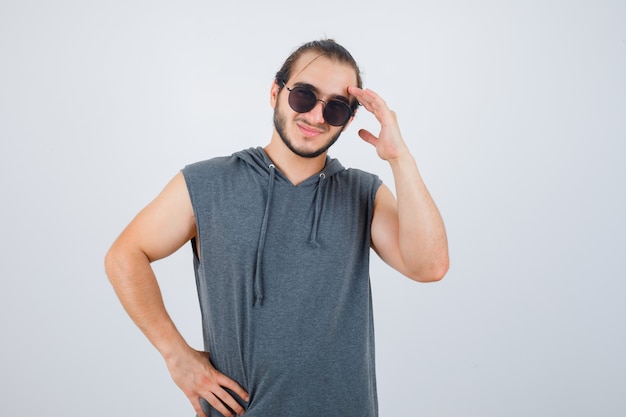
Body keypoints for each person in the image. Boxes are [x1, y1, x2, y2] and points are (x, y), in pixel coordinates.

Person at [105, 39, 449, 417]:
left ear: (349, 120)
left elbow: (429, 266)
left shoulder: (363, 193)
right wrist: (176, 355)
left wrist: (401, 159)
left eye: (335, 107)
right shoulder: (208, 183)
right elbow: (125, 255)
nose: (317, 116)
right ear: (275, 92)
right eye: (304, 96)